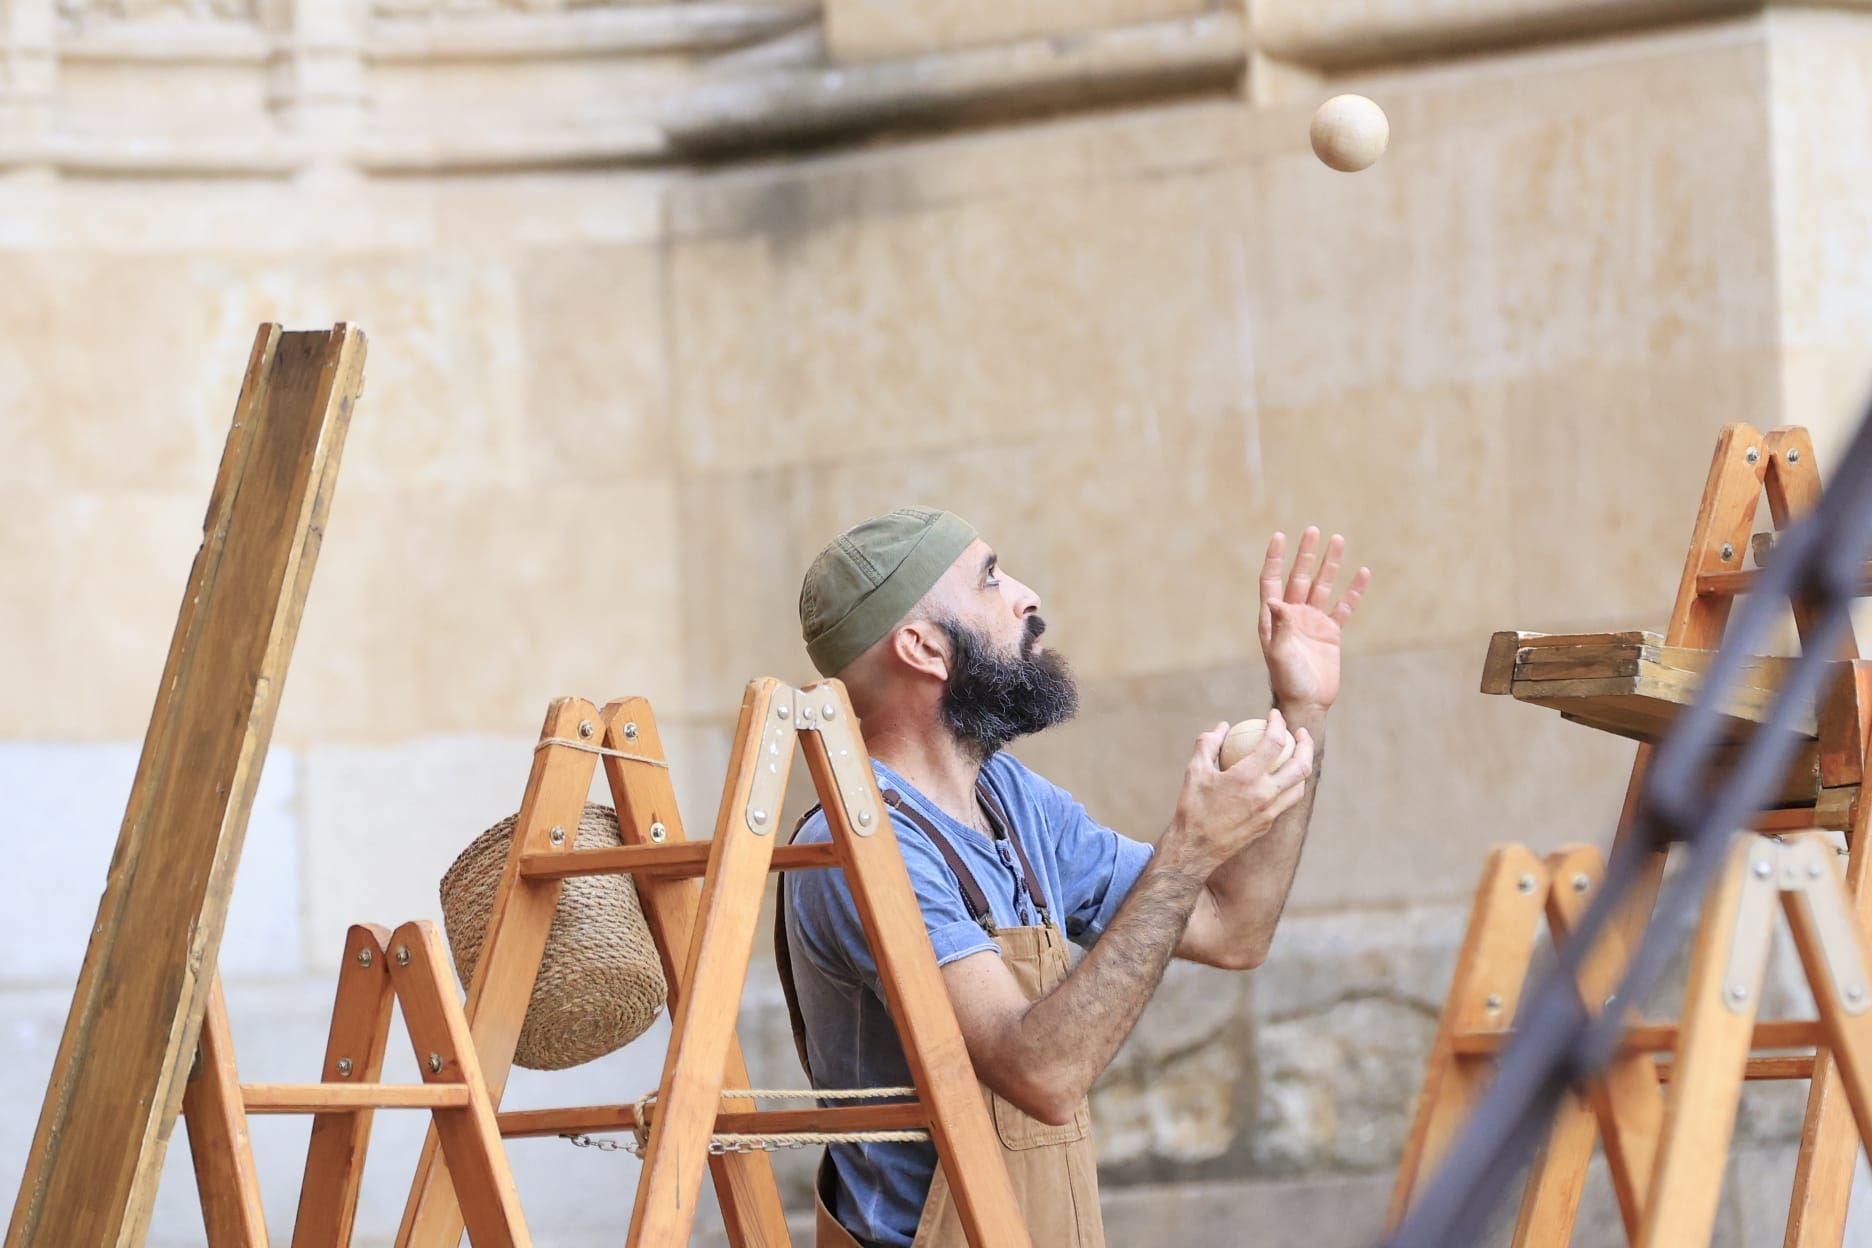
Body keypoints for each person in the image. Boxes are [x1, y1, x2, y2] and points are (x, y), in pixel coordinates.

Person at [779, 506, 1371, 1247]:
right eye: (991, 579)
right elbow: (1043, 1073)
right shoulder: (859, 842)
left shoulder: (1014, 800)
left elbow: (1233, 927)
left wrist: (1302, 709)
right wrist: (1186, 850)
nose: (1027, 595)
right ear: (924, 648)